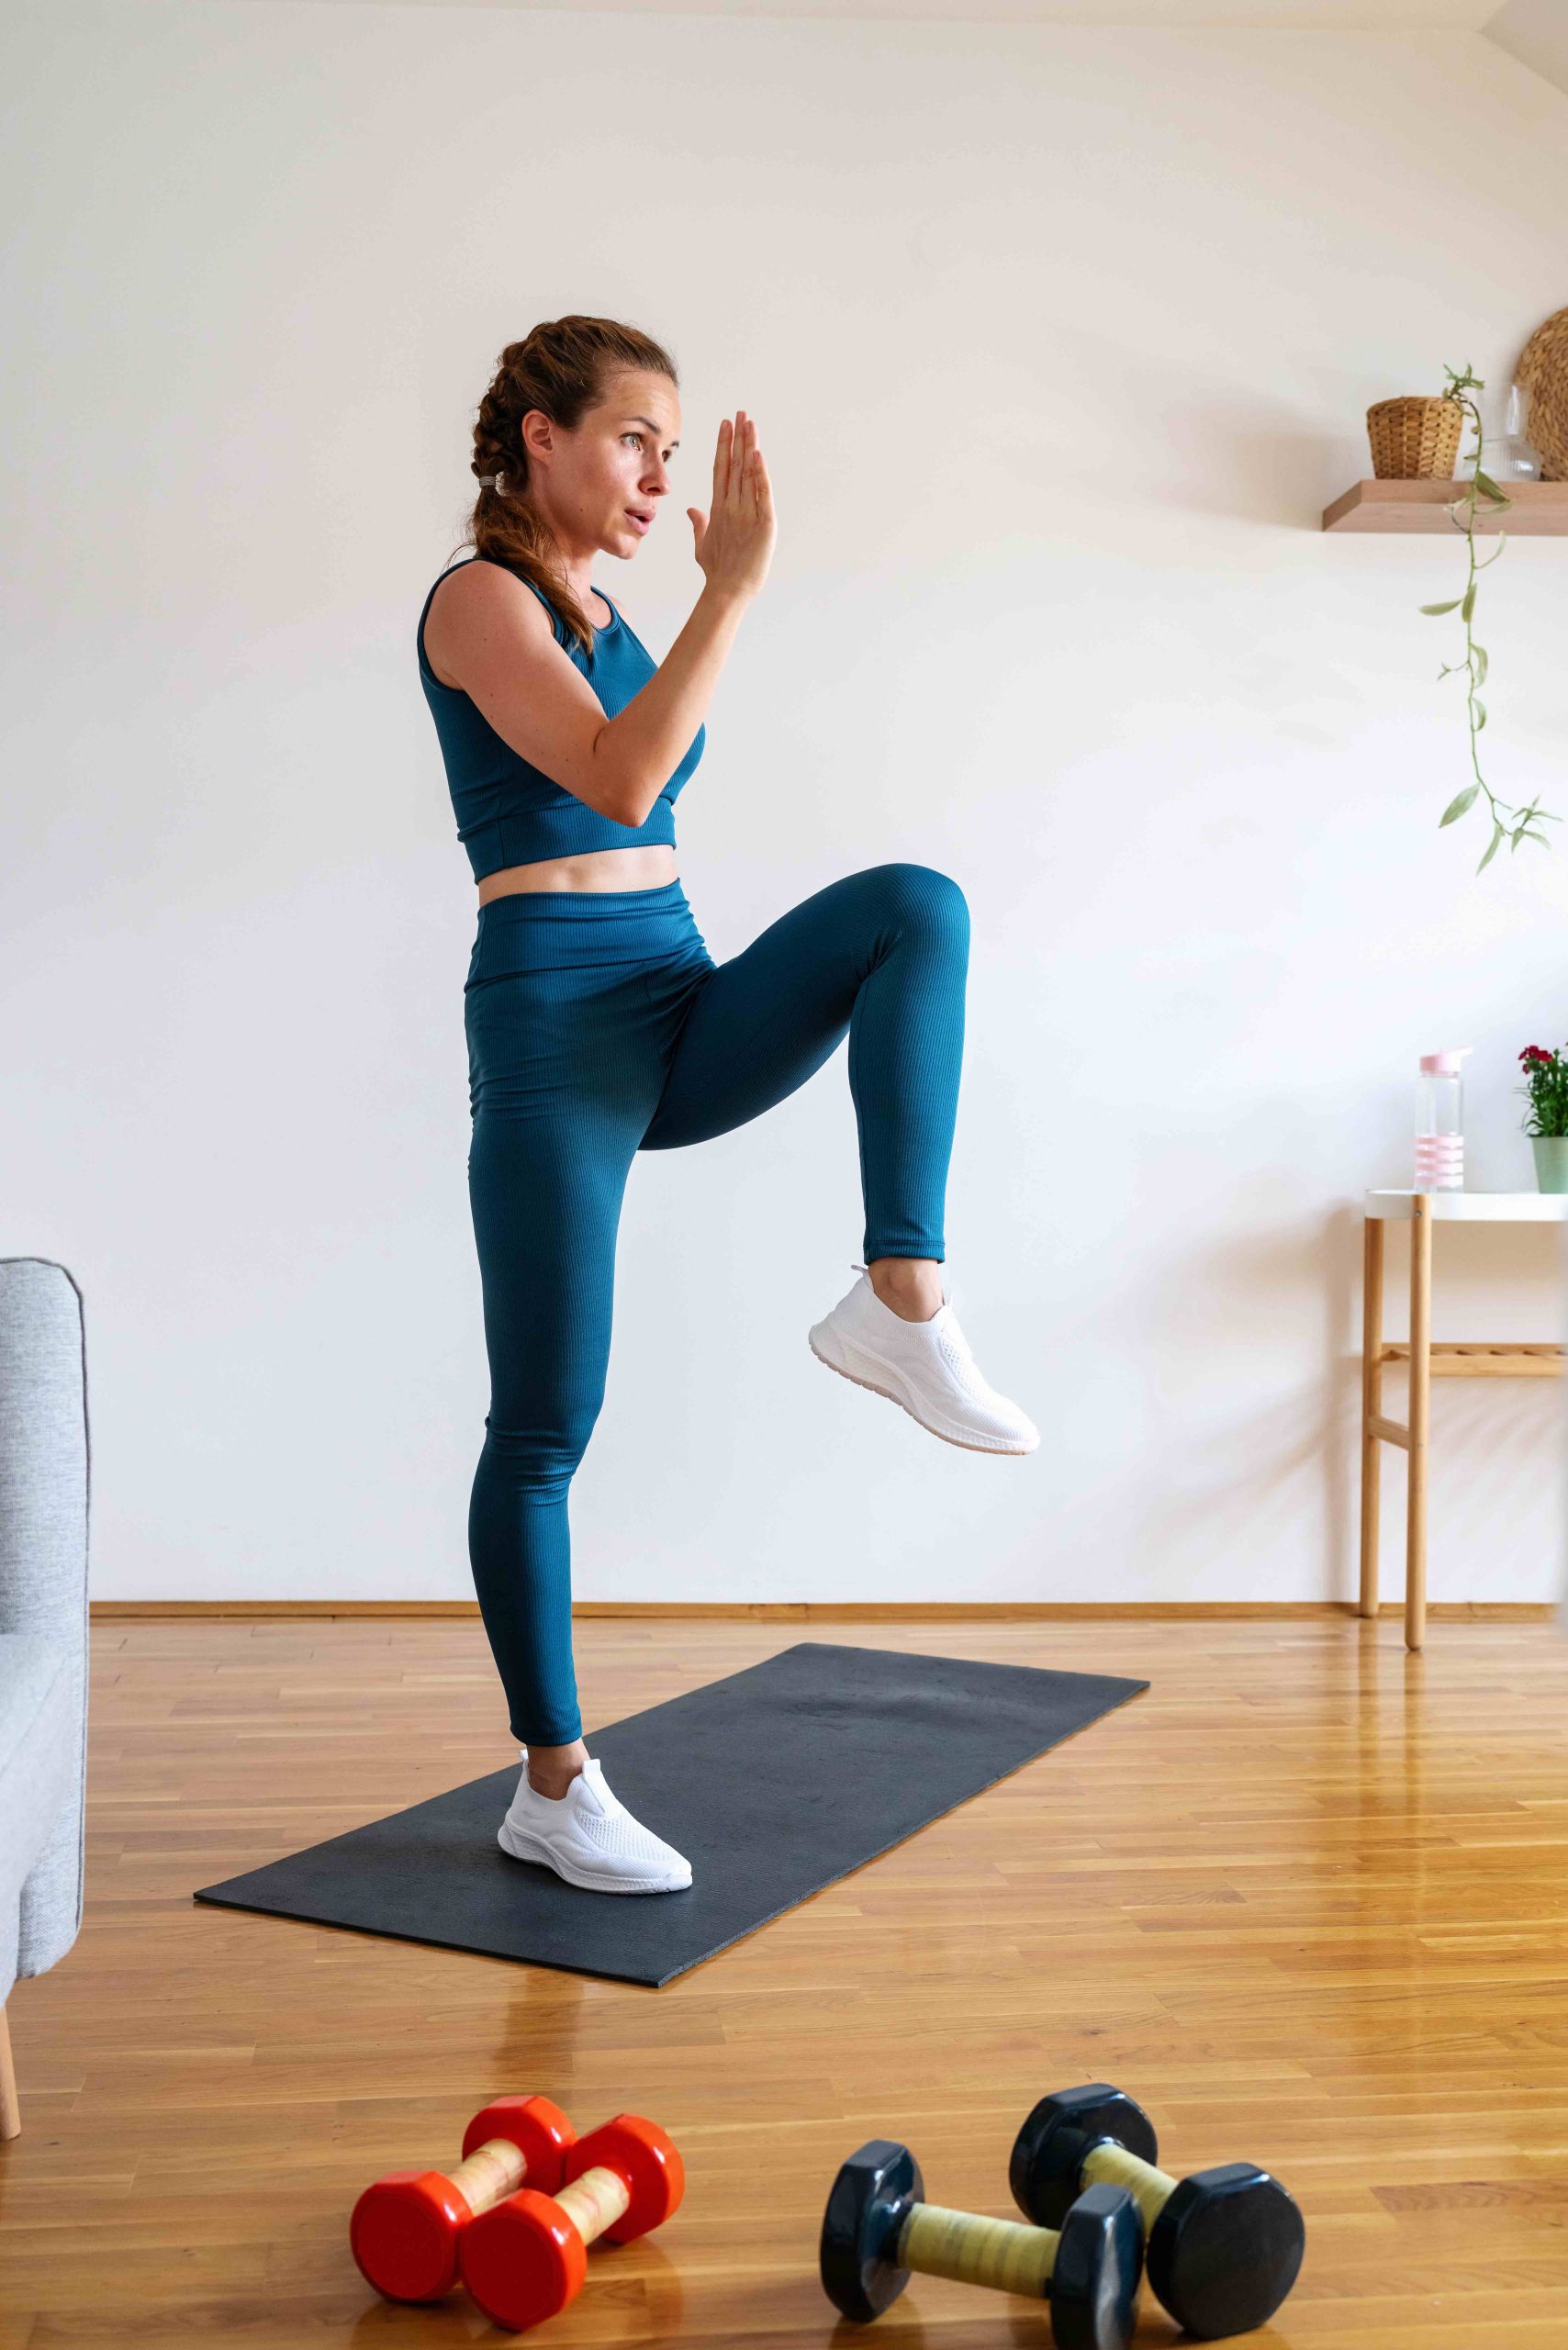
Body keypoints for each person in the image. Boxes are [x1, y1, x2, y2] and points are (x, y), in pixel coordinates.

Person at [416, 315, 1038, 1897]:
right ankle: (552, 1783)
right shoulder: (478, 601)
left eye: (671, 452)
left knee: (918, 904)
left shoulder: (612, 609)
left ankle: (902, 1292)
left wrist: (698, 601)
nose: (658, 478)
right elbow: (622, 781)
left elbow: (652, 783)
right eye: (634, 440)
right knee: (545, 1425)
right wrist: (738, 588)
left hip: (674, 997)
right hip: (556, 1031)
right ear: (540, 438)